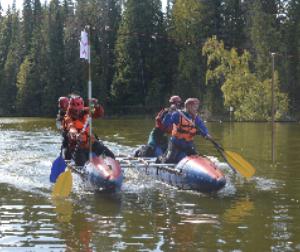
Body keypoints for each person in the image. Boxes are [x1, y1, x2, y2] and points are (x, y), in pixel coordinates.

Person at [63, 95, 115, 166]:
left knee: (110, 155)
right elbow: (71, 128)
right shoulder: (67, 117)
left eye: (78, 110)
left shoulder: (87, 111)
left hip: (90, 143)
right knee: (81, 163)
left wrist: (96, 105)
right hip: (77, 147)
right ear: (71, 108)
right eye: (74, 111)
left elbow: (98, 113)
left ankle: (111, 167)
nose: (77, 112)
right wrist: (76, 135)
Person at [162, 98, 211, 164]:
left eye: (197, 107)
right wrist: (170, 112)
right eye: (194, 107)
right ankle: (161, 160)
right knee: (169, 160)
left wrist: (206, 134)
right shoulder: (178, 115)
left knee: (197, 158)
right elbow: (166, 124)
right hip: (176, 144)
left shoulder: (195, 118)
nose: (196, 109)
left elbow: (202, 127)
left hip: (188, 144)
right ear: (188, 106)